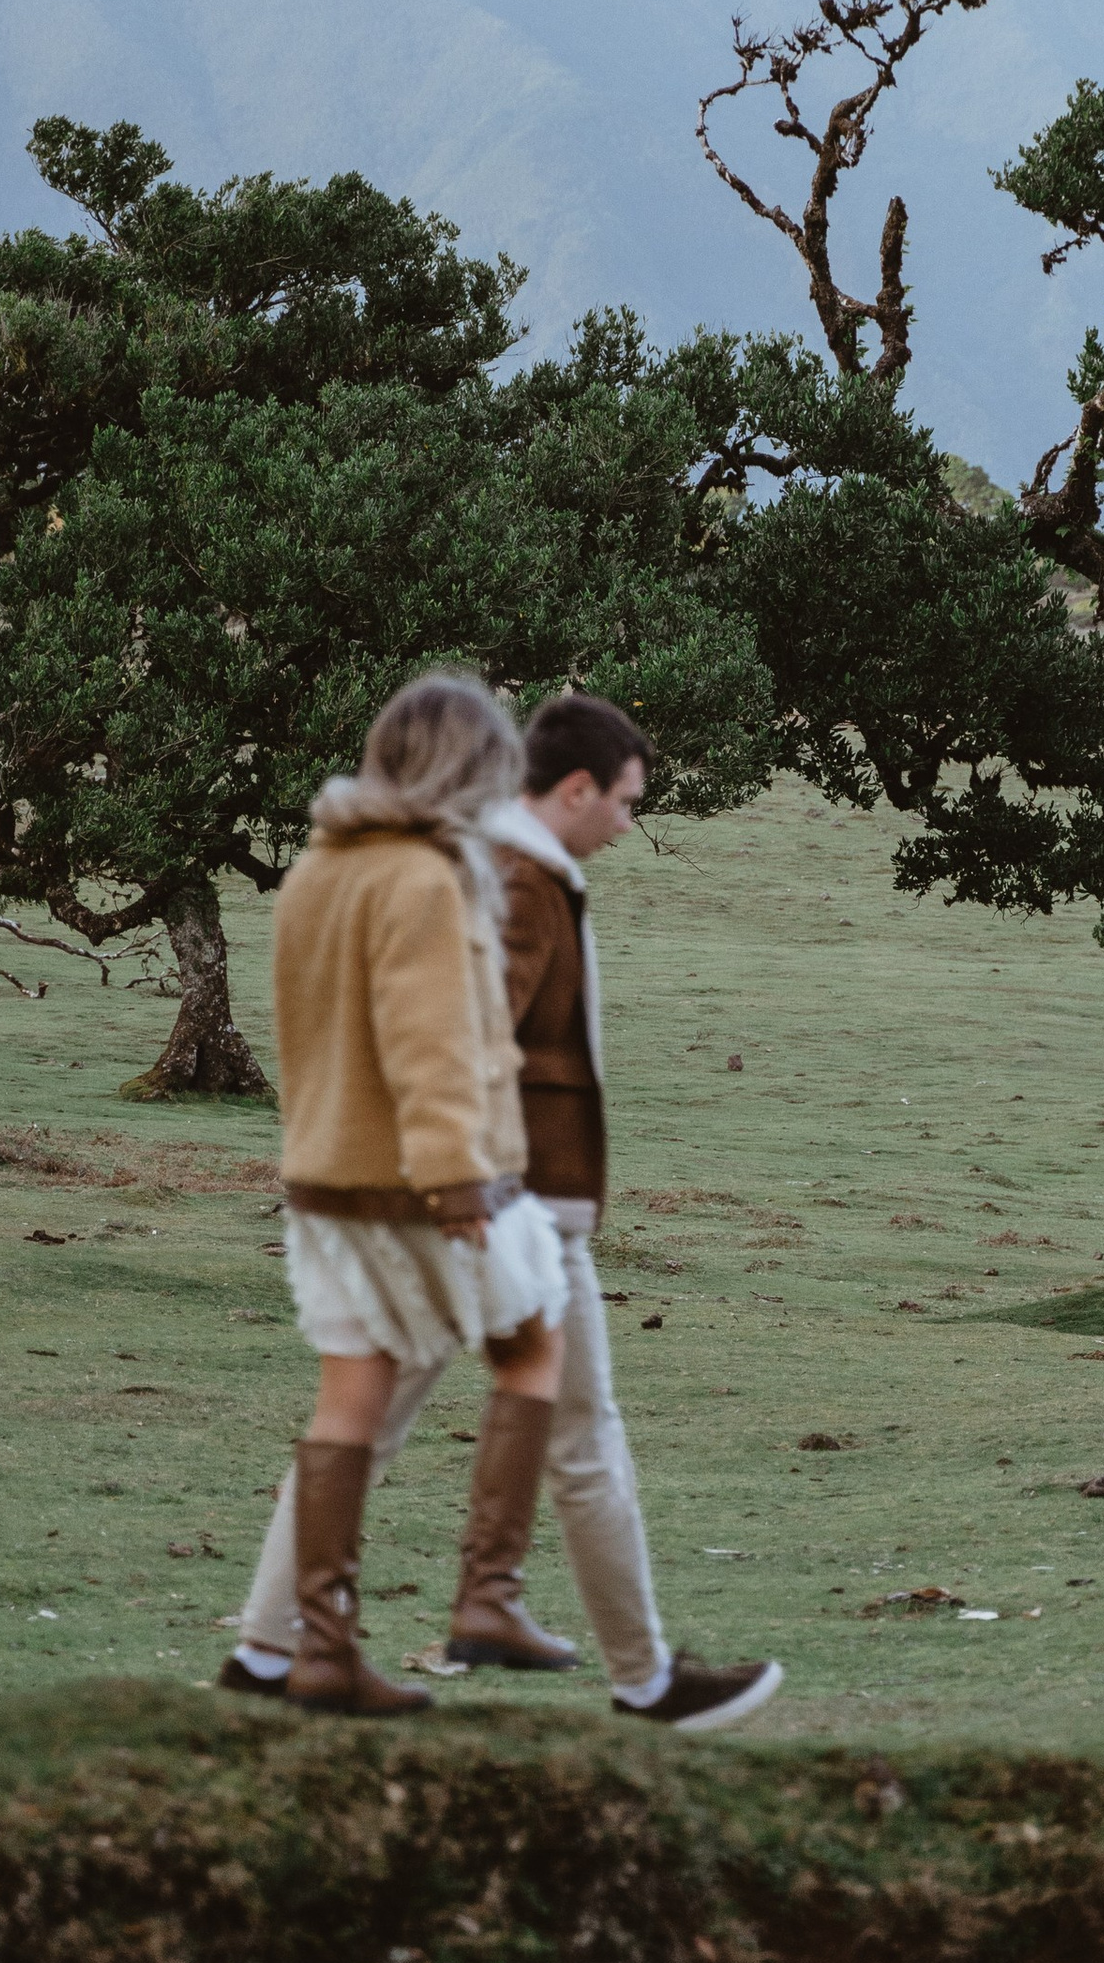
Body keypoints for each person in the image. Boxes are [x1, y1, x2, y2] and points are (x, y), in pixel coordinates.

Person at [223, 681, 782, 1732]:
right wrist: (468, 1185)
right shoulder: (467, 878)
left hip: (348, 1184)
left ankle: (275, 1649)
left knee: (368, 1412)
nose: (626, 819)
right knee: (558, 1403)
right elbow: (452, 1048)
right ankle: (592, 1651)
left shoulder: (323, 865)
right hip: (474, 1199)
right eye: (623, 799)